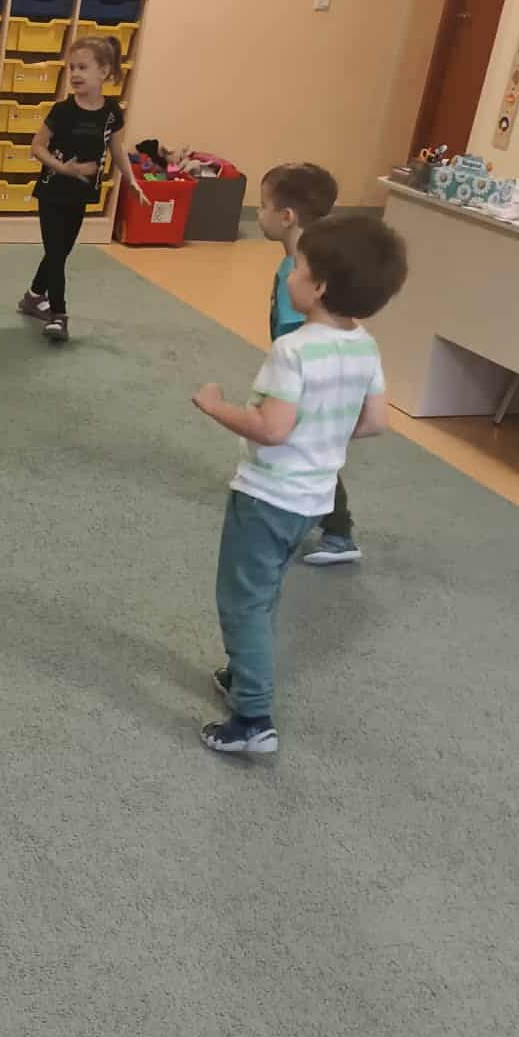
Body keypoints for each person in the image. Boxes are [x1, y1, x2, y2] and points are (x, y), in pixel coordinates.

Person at [190, 215, 408, 755]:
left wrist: (215, 406)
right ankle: (245, 673)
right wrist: (323, 436)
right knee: (264, 591)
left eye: (299, 267)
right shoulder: (365, 346)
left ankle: (253, 717)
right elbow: (376, 421)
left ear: (320, 286)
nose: (290, 274)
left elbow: (271, 428)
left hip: (267, 496)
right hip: (313, 499)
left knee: (242, 601)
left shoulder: (293, 350)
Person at [255, 162, 363, 566]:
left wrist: (283, 389)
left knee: (310, 456)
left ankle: (337, 531)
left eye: (262, 206)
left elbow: (301, 336)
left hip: (306, 382)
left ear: (286, 217)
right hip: (309, 378)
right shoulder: (306, 265)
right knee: (304, 454)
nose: (257, 214)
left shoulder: (299, 275)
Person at [19, 36, 144, 343]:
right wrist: (63, 168)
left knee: (60, 251)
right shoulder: (62, 111)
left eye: (82, 67)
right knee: (57, 254)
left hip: (81, 193)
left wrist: (132, 180)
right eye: (72, 67)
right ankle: (59, 315)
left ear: (104, 71)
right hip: (52, 190)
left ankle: (33, 296)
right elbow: (37, 147)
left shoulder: (111, 112)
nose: (75, 73)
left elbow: (117, 149)